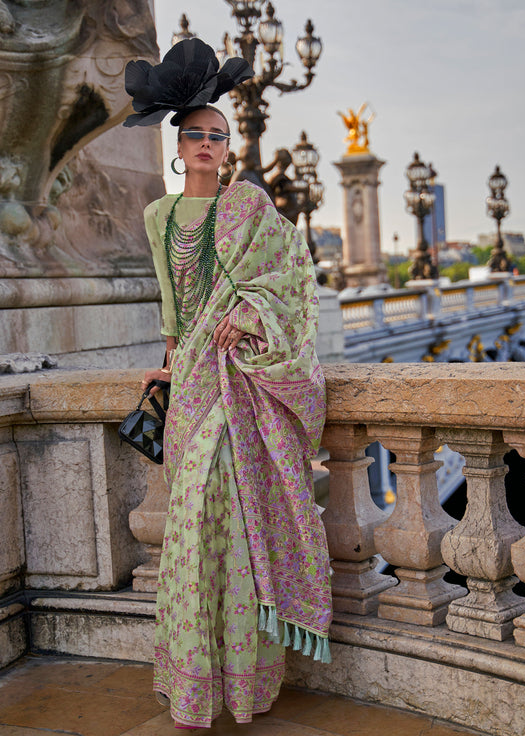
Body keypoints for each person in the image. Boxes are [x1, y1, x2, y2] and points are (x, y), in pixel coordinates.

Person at [124, 38, 332, 731]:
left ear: (226, 145)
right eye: (196, 135)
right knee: (191, 531)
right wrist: (168, 359)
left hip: (238, 384)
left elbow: (294, 280)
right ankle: (192, 684)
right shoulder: (158, 217)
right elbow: (173, 308)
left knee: (230, 522)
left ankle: (244, 684)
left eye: (218, 135)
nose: (207, 144)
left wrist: (250, 310)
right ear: (177, 147)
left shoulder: (248, 208)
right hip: (190, 385)